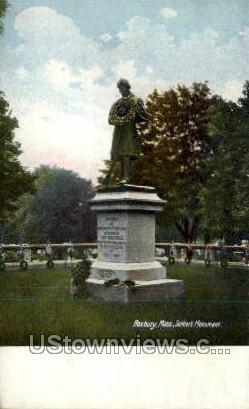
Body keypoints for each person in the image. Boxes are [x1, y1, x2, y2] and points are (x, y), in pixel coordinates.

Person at [105, 78, 148, 184]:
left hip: (129, 131)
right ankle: (121, 177)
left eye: (122, 88)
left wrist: (137, 113)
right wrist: (120, 120)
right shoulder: (117, 103)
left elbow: (145, 117)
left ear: (127, 87)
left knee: (127, 153)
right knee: (117, 154)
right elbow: (111, 119)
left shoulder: (136, 100)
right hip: (119, 131)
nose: (120, 91)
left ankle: (126, 177)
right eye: (119, 89)